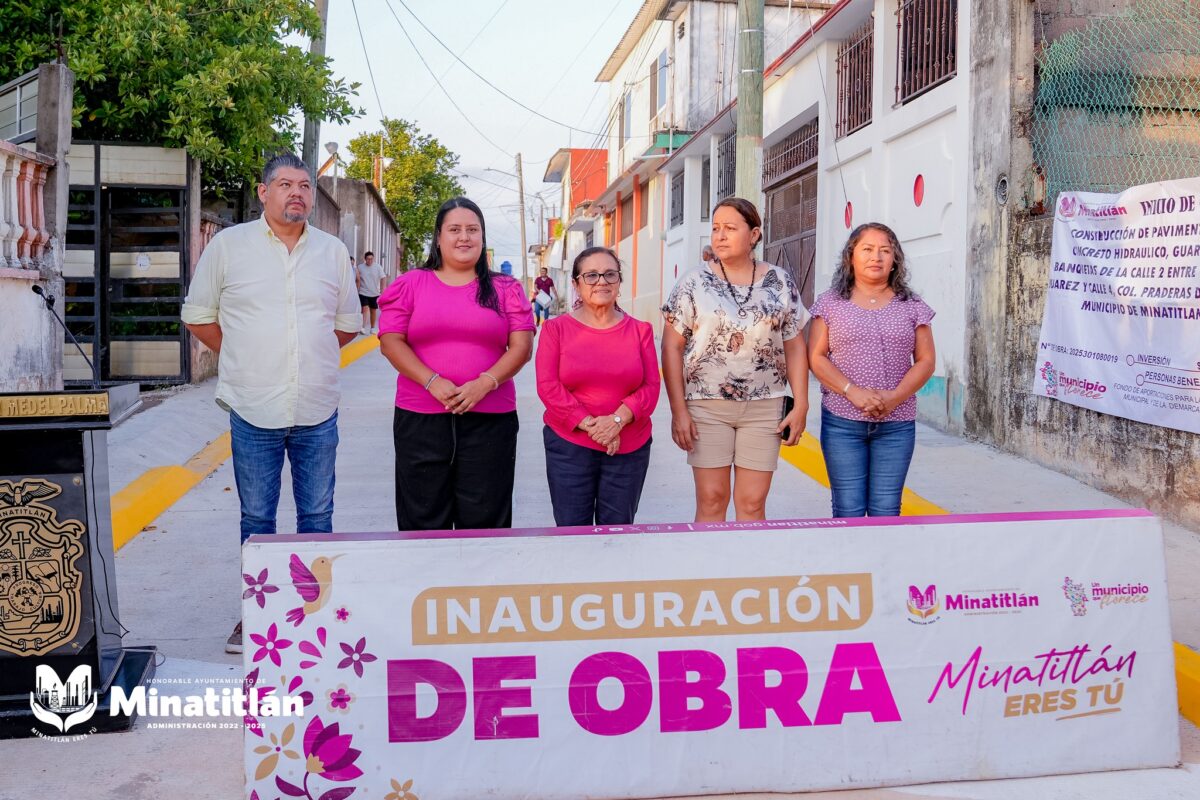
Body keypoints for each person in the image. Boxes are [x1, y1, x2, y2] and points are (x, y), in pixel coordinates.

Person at [181, 153, 360, 654]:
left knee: (317, 516)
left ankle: (314, 614)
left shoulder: (332, 252)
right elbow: (198, 315)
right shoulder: (229, 246)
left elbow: (346, 325)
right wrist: (243, 355)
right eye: (285, 184)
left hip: (317, 406)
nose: (296, 193)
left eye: (304, 185)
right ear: (264, 193)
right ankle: (257, 616)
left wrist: (306, 358)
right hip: (252, 405)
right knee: (257, 519)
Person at [378, 197, 535, 531]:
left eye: (472, 230)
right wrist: (431, 381)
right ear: (438, 237)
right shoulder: (411, 284)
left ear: (482, 237)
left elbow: (522, 347)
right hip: (420, 419)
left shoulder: (506, 288)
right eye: (454, 229)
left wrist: (485, 383)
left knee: (486, 520)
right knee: (422, 518)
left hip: (491, 419)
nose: (464, 237)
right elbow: (391, 342)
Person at [661, 197, 809, 522]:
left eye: (730, 228)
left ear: (754, 234)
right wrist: (678, 411)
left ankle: (748, 559)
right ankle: (710, 558)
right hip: (707, 406)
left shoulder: (779, 281)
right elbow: (671, 347)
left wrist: (801, 404)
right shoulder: (693, 283)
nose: (720, 235)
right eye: (716, 228)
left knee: (752, 504)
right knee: (712, 500)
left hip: (765, 408)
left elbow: (795, 344)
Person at [807, 222, 936, 518]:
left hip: (897, 424)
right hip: (842, 422)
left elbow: (926, 361)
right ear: (851, 256)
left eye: (884, 251)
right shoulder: (830, 303)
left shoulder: (912, 305)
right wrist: (853, 392)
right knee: (847, 509)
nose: (876, 257)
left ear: (895, 260)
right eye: (867, 249)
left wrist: (894, 397)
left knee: (887, 510)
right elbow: (816, 357)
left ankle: (884, 553)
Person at [536, 247, 660, 525]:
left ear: (619, 281)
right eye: (591, 275)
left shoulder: (640, 330)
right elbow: (548, 386)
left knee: (617, 533)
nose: (601, 281)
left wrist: (617, 420)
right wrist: (594, 427)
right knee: (572, 532)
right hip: (569, 446)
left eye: (609, 274)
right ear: (576, 284)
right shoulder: (555, 330)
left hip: (629, 446)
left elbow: (651, 386)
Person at [356, 251, 385, 334]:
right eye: (368, 259)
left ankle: (372, 328)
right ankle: (362, 327)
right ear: (365, 259)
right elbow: (357, 278)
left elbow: (383, 278)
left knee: (373, 310)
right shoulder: (360, 267)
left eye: (371, 259)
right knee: (364, 309)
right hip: (363, 292)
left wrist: (382, 290)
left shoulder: (378, 267)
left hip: (374, 293)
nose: (370, 261)